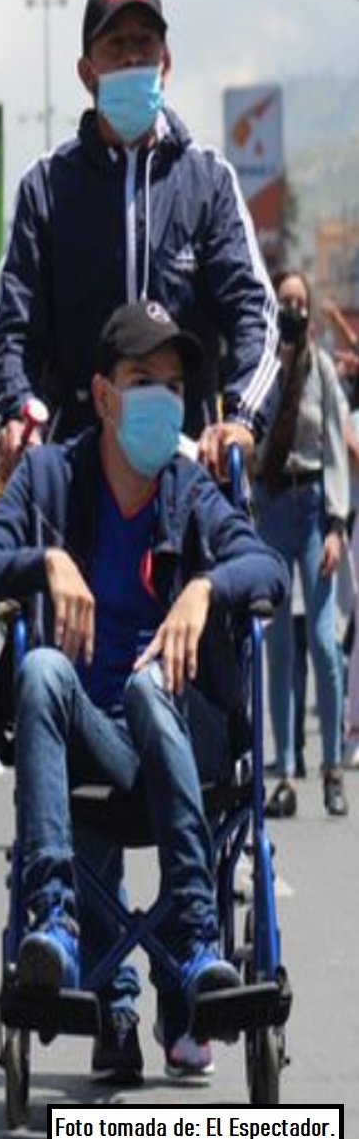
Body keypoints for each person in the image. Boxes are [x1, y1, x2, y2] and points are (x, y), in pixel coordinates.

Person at [0, 300, 288, 1081]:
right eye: (143, 381)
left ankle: (200, 942)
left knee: (146, 691)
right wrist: (43, 564)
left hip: (178, 737)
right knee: (40, 669)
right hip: (95, 742)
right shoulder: (47, 478)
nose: (161, 400)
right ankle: (56, 920)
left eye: (173, 385)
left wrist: (204, 589)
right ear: (103, 396)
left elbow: (264, 567)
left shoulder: (189, 489)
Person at [0, 0, 280, 481]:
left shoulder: (208, 182)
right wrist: (19, 414)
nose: (130, 57)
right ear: (86, 72)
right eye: (115, 44)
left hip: (190, 469)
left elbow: (254, 313)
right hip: (73, 477)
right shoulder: (46, 188)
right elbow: (11, 333)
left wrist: (241, 421)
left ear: (164, 62)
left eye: (144, 43)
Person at [254, 270, 350, 818]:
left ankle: (331, 767)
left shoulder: (323, 373)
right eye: (283, 302)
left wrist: (337, 525)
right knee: (277, 646)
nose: (291, 310)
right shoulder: (265, 368)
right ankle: (285, 771)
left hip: (313, 507)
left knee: (322, 642)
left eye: (298, 303)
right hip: (270, 506)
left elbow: (336, 445)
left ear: (309, 312)